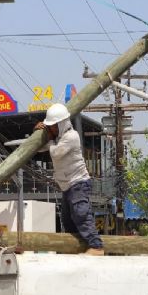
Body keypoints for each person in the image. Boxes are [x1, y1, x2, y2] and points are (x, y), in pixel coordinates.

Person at [35, 103, 105, 255]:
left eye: (53, 126)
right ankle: (76, 246)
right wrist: (37, 133)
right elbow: (39, 148)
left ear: (61, 124)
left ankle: (97, 246)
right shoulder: (57, 138)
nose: (51, 129)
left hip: (78, 183)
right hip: (67, 185)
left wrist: (48, 138)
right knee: (68, 220)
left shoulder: (71, 137)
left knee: (81, 214)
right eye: (50, 126)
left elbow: (55, 153)